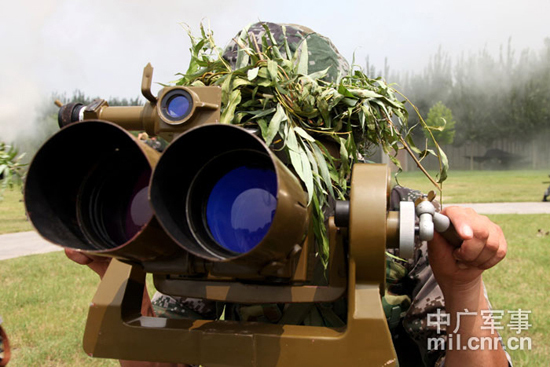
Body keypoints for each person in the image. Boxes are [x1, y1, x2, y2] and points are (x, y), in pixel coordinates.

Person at [65, 23, 511, 367]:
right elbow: (160, 357)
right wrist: (115, 262)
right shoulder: (211, 206)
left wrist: (463, 286)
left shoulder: (401, 219)